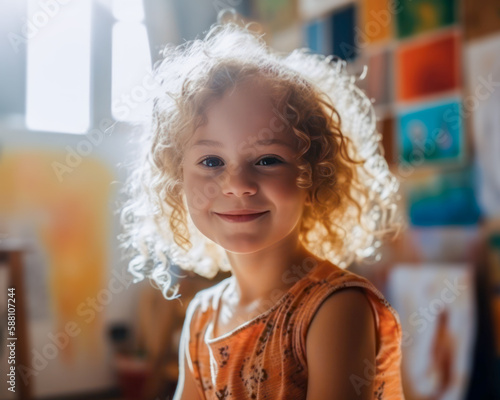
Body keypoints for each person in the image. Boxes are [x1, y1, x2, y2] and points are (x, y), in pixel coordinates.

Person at [119, 10, 406, 400]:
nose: (237, 185)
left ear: (314, 174)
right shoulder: (202, 317)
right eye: (211, 162)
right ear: (176, 180)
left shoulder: (335, 309)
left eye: (268, 160)